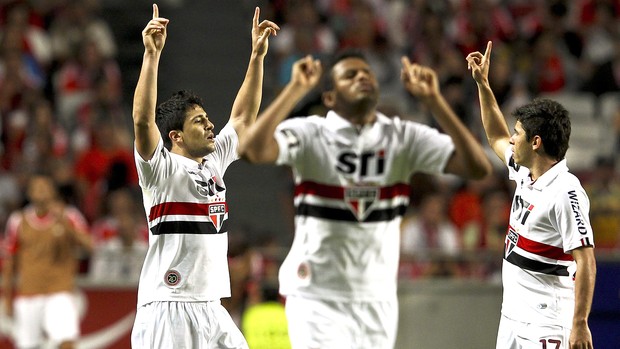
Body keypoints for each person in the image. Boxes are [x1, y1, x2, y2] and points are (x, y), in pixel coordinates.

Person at [238, 52, 492, 348]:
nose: (361, 77)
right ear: (330, 98)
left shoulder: (402, 137)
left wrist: (435, 101)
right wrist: (295, 89)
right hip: (316, 294)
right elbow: (251, 150)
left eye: (367, 74)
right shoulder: (310, 134)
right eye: (350, 75)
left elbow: (477, 167)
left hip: (377, 297)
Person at [129, 4, 278, 349]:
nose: (211, 125)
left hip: (211, 305)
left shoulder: (214, 163)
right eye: (199, 121)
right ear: (175, 136)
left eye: (209, 119)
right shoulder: (159, 169)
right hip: (169, 305)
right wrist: (151, 56)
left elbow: (242, 119)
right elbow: (141, 121)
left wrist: (256, 57)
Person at [466, 41, 597, 349]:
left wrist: (579, 324)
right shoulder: (526, 170)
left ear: (536, 142)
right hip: (512, 314)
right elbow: (495, 135)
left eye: (518, 134)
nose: (512, 139)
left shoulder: (566, 192)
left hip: (547, 321)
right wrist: (483, 85)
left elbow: (587, 260)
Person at [2, 172, 93, 349]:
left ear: (53, 192)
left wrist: (65, 223)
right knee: (28, 345)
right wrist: (7, 299)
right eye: (37, 187)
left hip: (59, 291)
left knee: (66, 340)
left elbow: (89, 245)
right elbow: (9, 263)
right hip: (28, 293)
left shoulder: (69, 216)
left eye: (45, 187)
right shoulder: (18, 221)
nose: (41, 191)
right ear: (29, 193)